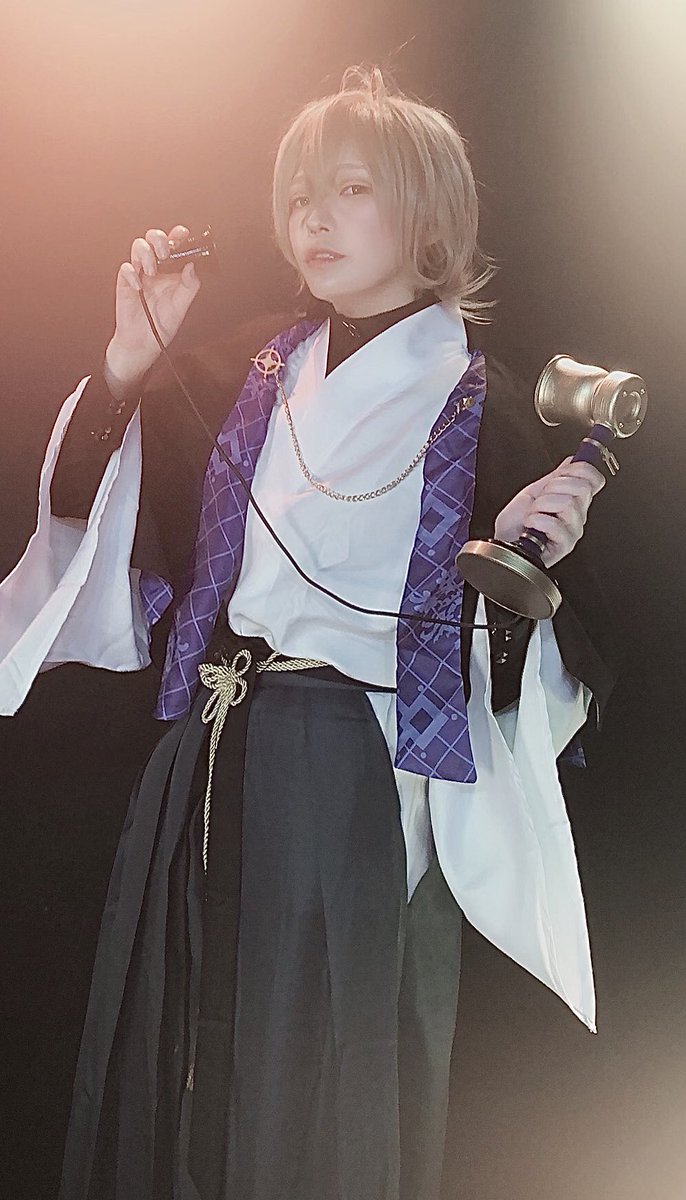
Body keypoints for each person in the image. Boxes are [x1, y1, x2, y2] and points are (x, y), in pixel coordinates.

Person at [0, 67, 614, 1200]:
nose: (311, 219)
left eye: (350, 190)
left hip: (355, 770)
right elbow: (94, 523)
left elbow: (531, 673)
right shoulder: (251, 368)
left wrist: (532, 562)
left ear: (429, 215)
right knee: (181, 1046)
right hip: (210, 750)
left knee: (323, 1065)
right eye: (297, 196)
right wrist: (129, 357)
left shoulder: (485, 405)